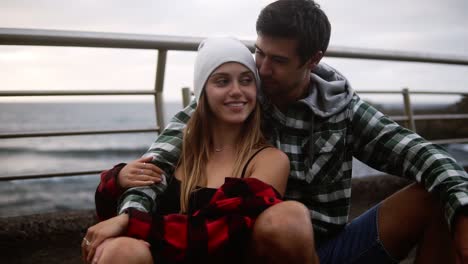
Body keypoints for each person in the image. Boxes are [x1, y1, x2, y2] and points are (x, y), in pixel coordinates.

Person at [91, 0, 468, 263]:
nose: (261, 68)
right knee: (282, 221)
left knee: (436, 194)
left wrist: (463, 212)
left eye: (278, 60)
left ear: (313, 59)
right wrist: (126, 206)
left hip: (328, 247)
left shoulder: (345, 111)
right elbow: (153, 169)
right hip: (252, 245)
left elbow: (426, 156)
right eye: (259, 52)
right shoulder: (237, 100)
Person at [82, 37, 290, 263]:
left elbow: (219, 228)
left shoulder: (269, 160)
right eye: (222, 82)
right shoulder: (176, 151)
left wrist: (132, 222)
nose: (237, 91)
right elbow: (106, 218)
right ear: (203, 92)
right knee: (120, 249)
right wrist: (117, 180)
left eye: (246, 80)